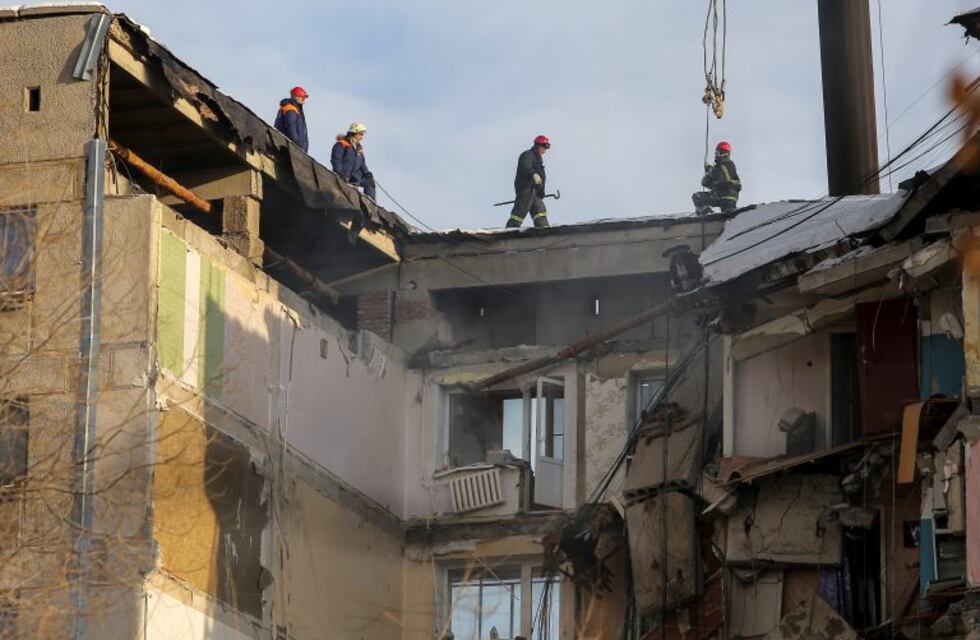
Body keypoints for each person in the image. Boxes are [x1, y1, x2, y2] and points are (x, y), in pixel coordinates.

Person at [506, 135, 551, 228]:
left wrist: (541, 192)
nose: (544, 151)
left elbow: (541, 178)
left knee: (540, 211)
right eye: (543, 147)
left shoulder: (539, 160)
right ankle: (511, 229)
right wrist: (533, 174)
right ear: (537, 145)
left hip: (535, 192)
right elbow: (525, 167)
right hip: (526, 189)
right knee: (520, 211)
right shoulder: (527, 155)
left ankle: (543, 229)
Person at [692, 140, 741, 214]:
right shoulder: (722, 167)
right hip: (724, 196)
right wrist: (706, 181)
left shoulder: (727, 164)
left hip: (725, 195)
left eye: (718, 153)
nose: (716, 155)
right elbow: (717, 182)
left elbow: (718, 173)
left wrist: (709, 169)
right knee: (727, 215)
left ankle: (707, 213)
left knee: (697, 197)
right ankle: (710, 216)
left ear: (724, 153)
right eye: (716, 153)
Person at [331, 122, 376, 200]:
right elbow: (336, 160)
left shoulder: (359, 149)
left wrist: (367, 172)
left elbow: (362, 164)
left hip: (355, 176)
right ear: (355, 133)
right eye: (361, 134)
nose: (362, 137)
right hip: (343, 174)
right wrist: (339, 173)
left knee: (370, 182)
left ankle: (370, 205)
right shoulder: (342, 144)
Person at [274, 86, 310, 152]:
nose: (304, 100)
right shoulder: (290, 108)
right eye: (303, 98)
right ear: (297, 97)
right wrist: (297, 145)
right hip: (290, 149)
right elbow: (290, 126)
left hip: (296, 150)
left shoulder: (296, 110)